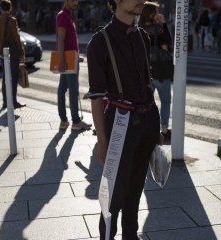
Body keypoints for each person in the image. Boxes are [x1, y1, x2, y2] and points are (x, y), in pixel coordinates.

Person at [87, 0, 162, 239]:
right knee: (113, 196)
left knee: (135, 191)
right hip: (120, 123)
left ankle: (131, 235)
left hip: (147, 119)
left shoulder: (143, 37)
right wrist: (102, 141)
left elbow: (146, 84)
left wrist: (155, 127)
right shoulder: (99, 42)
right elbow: (97, 97)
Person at [139, 1, 173, 141]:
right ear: (152, 14)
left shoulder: (139, 28)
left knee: (146, 103)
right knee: (165, 101)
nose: (158, 14)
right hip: (161, 71)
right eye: (156, 12)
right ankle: (164, 130)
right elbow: (169, 41)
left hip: (147, 72)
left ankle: (146, 129)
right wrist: (163, 23)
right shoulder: (157, 28)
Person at [56, 0, 92, 130]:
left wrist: (77, 57)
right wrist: (61, 60)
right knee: (72, 90)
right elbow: (61, 39)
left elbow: (69, 41)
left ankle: (64, 121)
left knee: (63, 89)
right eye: (72, 0)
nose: (75, 3)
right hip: (67, 59)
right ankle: (76, 122)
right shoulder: (63, 15)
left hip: (71, 58)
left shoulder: (68, 15)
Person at [0, 0, 26, 109]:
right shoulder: (12, 21)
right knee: (14, 77)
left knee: (5, 78)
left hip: (2, 53)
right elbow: (17, 38)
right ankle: (13, 102)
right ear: (10, 8)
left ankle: (5, 102)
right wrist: (22, 53)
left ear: (1, 8)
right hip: (13, 54)